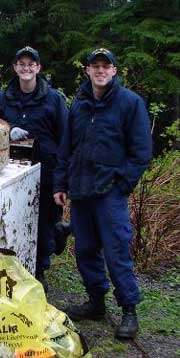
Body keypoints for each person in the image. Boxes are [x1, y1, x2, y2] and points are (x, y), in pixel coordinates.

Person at [53, 48, 152, 339]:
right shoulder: (79, 105)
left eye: (105, 66)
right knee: (85, 250)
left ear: (114, 71)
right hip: (81, 191)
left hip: (110, 193)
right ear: (87, 71)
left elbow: (141, 152)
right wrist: (61, 185)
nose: (100, 71)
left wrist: (121, 185)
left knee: (116, 250)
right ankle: (96, 302)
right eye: (94, 66)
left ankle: (128, 310)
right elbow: (66, 148)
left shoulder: (130, 103)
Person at [0, 46, 69, 292]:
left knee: (42, 224)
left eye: (31, 64)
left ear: (38, 68)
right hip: (13, 173)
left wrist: (63, 177)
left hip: (46, 172)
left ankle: (40, 270)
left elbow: (66, 138)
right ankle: (16, 265)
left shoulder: (54, 99)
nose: (26, 68)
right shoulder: (4, 97)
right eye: (21, 64)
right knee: (16, 219)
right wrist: (8, 130)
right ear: (15, 68)